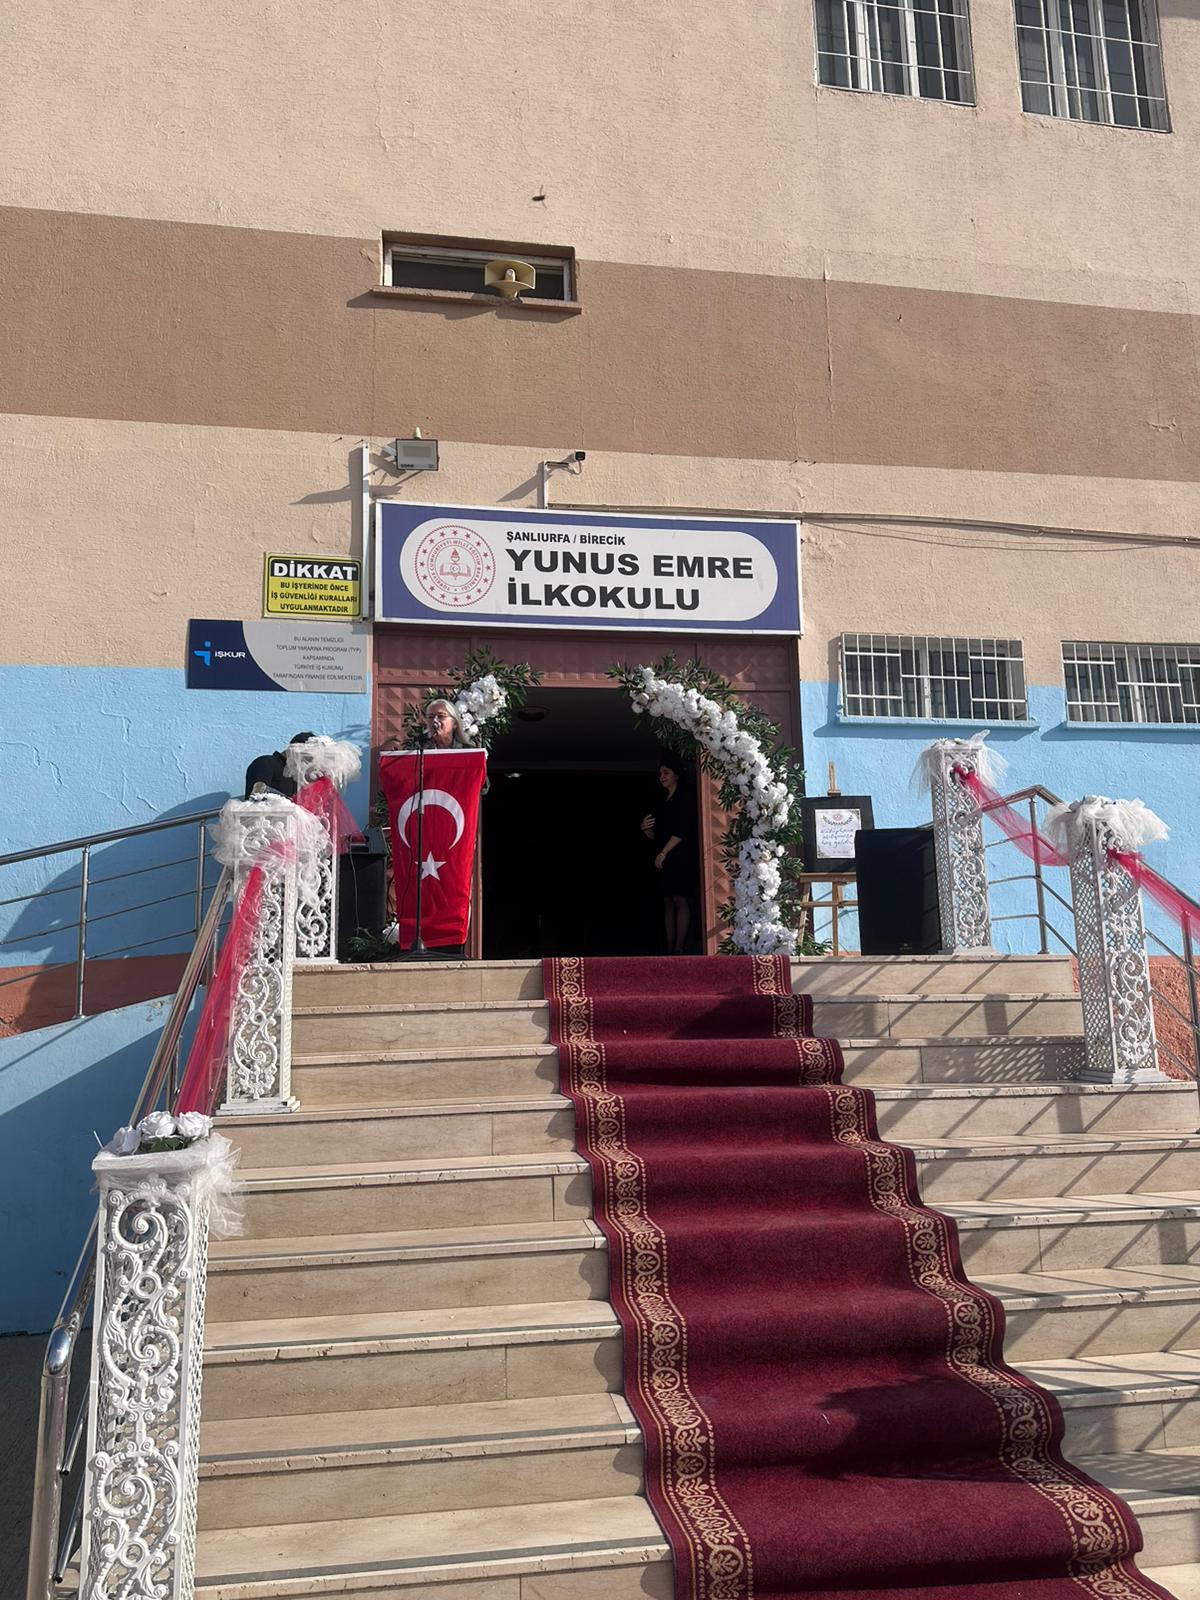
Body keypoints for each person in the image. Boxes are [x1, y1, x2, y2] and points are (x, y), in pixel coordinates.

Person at [641, 758, 699, 955]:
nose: (662, 777)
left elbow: (681, 831)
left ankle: (679, 947)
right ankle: (669, 947)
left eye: (666, 773)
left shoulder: (685, 798)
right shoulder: (662, 801)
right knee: (667, 901)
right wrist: (645, 829)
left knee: (680, 899)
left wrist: (664, 852)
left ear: (676, 775)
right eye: (660, 774)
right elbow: (657, 834)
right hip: (663, 856)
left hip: (680, 855)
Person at [243, 732, 315, 800]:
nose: (307, 763)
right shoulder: (265, 763)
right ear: (295, 750)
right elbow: (257, 798)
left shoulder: (297, 775)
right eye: (306, 757)